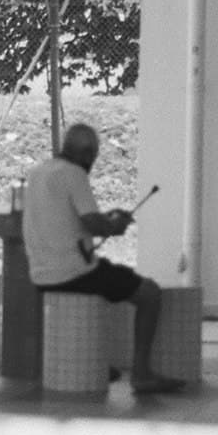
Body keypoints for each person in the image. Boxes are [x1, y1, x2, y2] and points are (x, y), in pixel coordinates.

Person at [22, 122, 185, 396]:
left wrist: (107, 218)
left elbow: (69, 219)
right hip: (75, 274)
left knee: (112, 277)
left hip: (40, 275)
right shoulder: (74, 173)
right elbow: (94, 224)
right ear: (88, 154)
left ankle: (91, 363)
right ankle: (142, 374)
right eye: (93, 157)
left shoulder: (38, 173)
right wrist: (115, 225)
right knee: (149, 293)